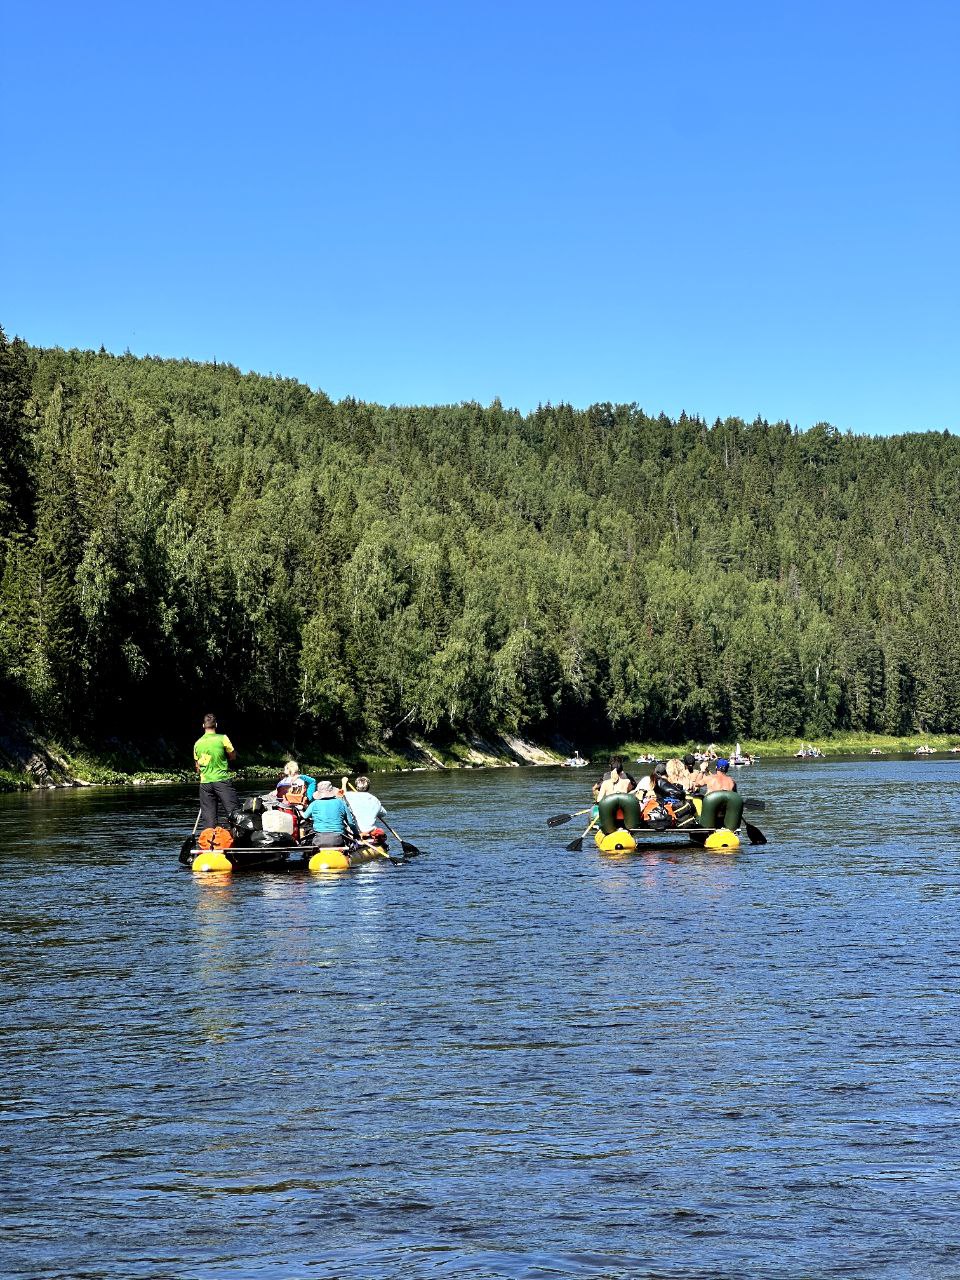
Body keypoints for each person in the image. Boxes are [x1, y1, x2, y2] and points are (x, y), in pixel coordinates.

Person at [193, 713, 239, 830]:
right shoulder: (223, 738)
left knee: (209, 820)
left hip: (205, 784)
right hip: (221, 780)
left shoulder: (197, 744)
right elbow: (233, 756)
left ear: (203, 725)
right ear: (216, 725)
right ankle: (238, 838)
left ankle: (210, 842)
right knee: (234, 813)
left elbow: (197, 767)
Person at [303, 780, 361, 848]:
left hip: (319, 840)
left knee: (308, 826)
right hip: (338, 840)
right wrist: (356, 834)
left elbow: (305, 816)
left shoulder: (314, 804)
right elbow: (350, 823)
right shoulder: (341, 803)